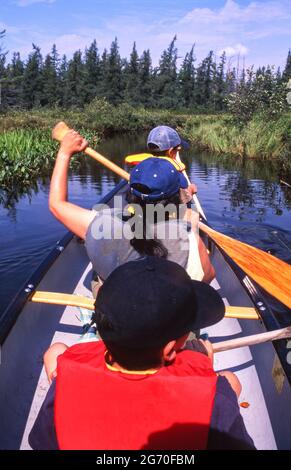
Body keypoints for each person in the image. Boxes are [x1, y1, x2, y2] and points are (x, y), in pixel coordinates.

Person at [29, 257, 254, 450]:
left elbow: (42, 442)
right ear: (169, 349)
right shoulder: (217, 399)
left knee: (56, 352)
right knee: (230, 381)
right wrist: (206, 372)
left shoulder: (64, 383)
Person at [49, 131, 215, 293]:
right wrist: (191, 227)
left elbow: (57, 205)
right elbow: (208, 277)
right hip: (164, 309)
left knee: (96, 276)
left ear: (130, 195)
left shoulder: (101, 224)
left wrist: (65, 152)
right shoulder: (188, 239)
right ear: (175, 199)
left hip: (118, 309)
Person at [125, 125, 198, 197]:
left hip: (141, 205)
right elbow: (184, 188)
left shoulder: (140, 167)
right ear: (170, 151)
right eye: (177, 150)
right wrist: (191, 190)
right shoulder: (174, 171)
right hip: (164, 207)